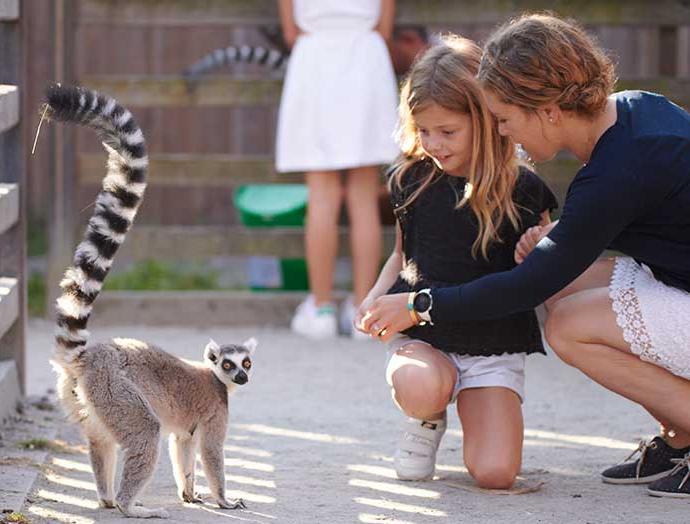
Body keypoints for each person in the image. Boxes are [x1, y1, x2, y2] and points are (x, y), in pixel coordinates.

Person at [361, 13, 690, 498]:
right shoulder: (636, 113)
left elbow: (526, 286)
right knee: (563, 284)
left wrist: (417, 305)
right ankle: (679, 438)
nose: (503, 133)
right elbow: (643, 213)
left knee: (567, 326)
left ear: (549, 111)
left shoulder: (613, 174)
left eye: (504, 118)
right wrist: (565, 234)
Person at [355, 35, 559, 488]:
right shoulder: (411, 179)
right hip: (425, 336)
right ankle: (426, 420)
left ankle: (475, 408)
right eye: (424, 130)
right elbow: (401, 256)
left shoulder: (523, 189)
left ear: (486, 121)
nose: (433, 143)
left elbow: (546, 269)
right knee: (423, 386)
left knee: (494, 473)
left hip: (493, 342)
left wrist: (540, 246)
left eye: (447, 132)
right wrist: (371, 299)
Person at [276, 0, 400, 339]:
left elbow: (290, 31)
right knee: (362, 195)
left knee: (322, 195)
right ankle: (364, 309)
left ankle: (321, 309)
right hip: (366, 55)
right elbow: (384, 27)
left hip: (314, 55)